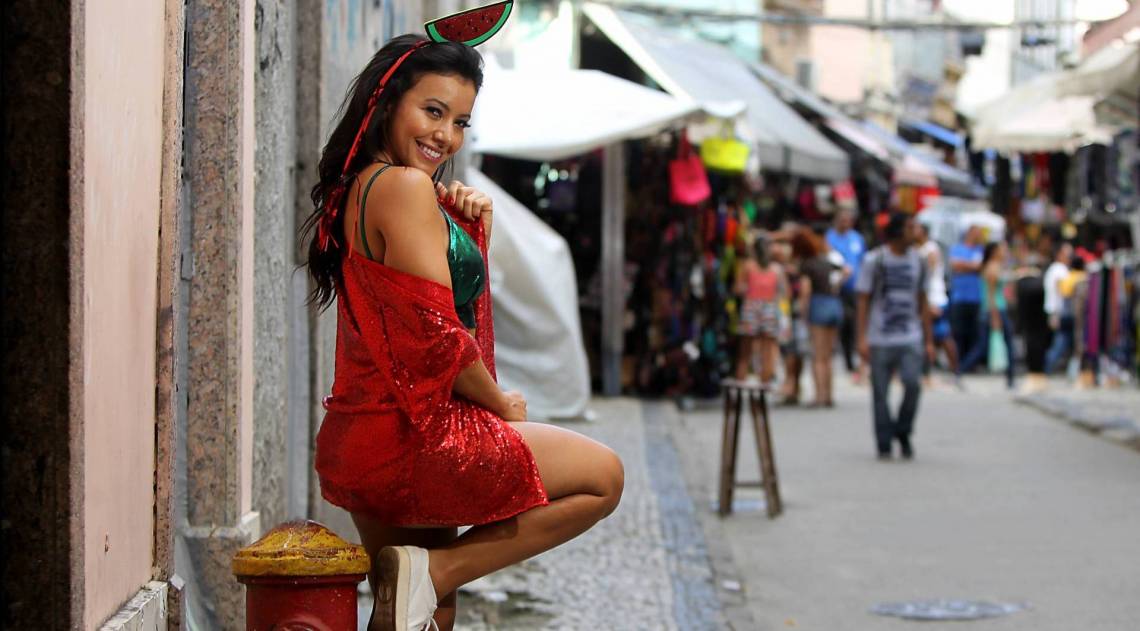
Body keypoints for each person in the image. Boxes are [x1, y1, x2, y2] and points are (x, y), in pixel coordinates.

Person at [303, 35, 624, 631]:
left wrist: (469, 233)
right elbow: (440, 334)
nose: (445, 135)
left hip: (364, 433)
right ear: (386, 103)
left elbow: (415, 312)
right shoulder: (404, 188)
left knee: (417, 613)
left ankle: (430, 575)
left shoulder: (361, 188)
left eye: (459, 122)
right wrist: (500, 403)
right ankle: (439, 569)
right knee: (603, 478)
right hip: (415, 434)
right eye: (432, 111)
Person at [856, 213, 933, 460]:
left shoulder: (920, 261)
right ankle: (884, 441)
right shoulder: (875, 260)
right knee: (880, 392)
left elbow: (923, 301)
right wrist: (861, 337)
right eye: (911, 227)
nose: (916, 232)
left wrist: (929, 340)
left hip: (911, 335)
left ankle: (903, 430)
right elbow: (863, 300)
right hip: (880, 336)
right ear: (898, 231)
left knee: (913, 384)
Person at [793, 228, 847, 407]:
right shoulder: (826, 260)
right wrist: (836, 286)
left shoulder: (807, 264)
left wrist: (803, 311)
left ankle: (819, 396)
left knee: (818, 355)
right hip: (834, 303)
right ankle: (829, 395)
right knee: (828, 356)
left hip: (819, 304)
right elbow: (847, 270)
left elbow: (806, 289)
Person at [958, 241, 1015, 389]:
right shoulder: (992, 268)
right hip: (995, 309)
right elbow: (990, 294)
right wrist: (995, 316)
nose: (1005, 252)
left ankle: (960, 370)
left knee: (983, 345)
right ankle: (1010, 378)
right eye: (1002, 249)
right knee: (1003, 344)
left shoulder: (994, 266)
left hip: (992, 309)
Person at [734, 236, 787, 384]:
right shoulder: (776, 269)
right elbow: (785, 292)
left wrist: (751, 288)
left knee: (745, 350)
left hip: (751, 306)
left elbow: (738, 288)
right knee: (768, 350)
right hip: (770, 307)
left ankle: (741, 381)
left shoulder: (748, 266)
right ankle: (764, 384)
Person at [915, 222, 960, 387]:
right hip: (929, 299)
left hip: (934, 299)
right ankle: (927, 373)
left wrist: (929, 304)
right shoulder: (921, 249)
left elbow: (927, 276)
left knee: (941, 336)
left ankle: (954, 371)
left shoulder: (930, 249)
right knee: (930, 337)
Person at [826, 210, 866, 381]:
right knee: (843, 324)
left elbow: (863, 261)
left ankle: (858, 361)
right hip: (838, 289)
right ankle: (846, 359)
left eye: (848, 220)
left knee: (856, 323)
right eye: (842, 220)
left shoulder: (857, 238)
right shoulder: (829, 238)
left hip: (856, 289)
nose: (845, 223)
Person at [948, 226, 985, 371]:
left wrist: (964, 265)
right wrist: (972, 266)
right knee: (958, 332)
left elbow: (980, 266)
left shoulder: (980, 250)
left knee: (973, 332)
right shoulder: (957, 248)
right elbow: (955, 265)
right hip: (959, 297)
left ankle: (970, 364)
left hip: (975, 297)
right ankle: (957, 363)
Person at [1043, 243, 1073, 373]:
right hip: (1059, 311)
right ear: (1060, 254)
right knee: (1060, 341)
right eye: (1068, 254)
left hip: (1055, 310)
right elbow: (1063, 291)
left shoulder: (1053, 268)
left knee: (1060, 340)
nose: (1070, 257)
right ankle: (1047, 367)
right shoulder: (1060, 269)